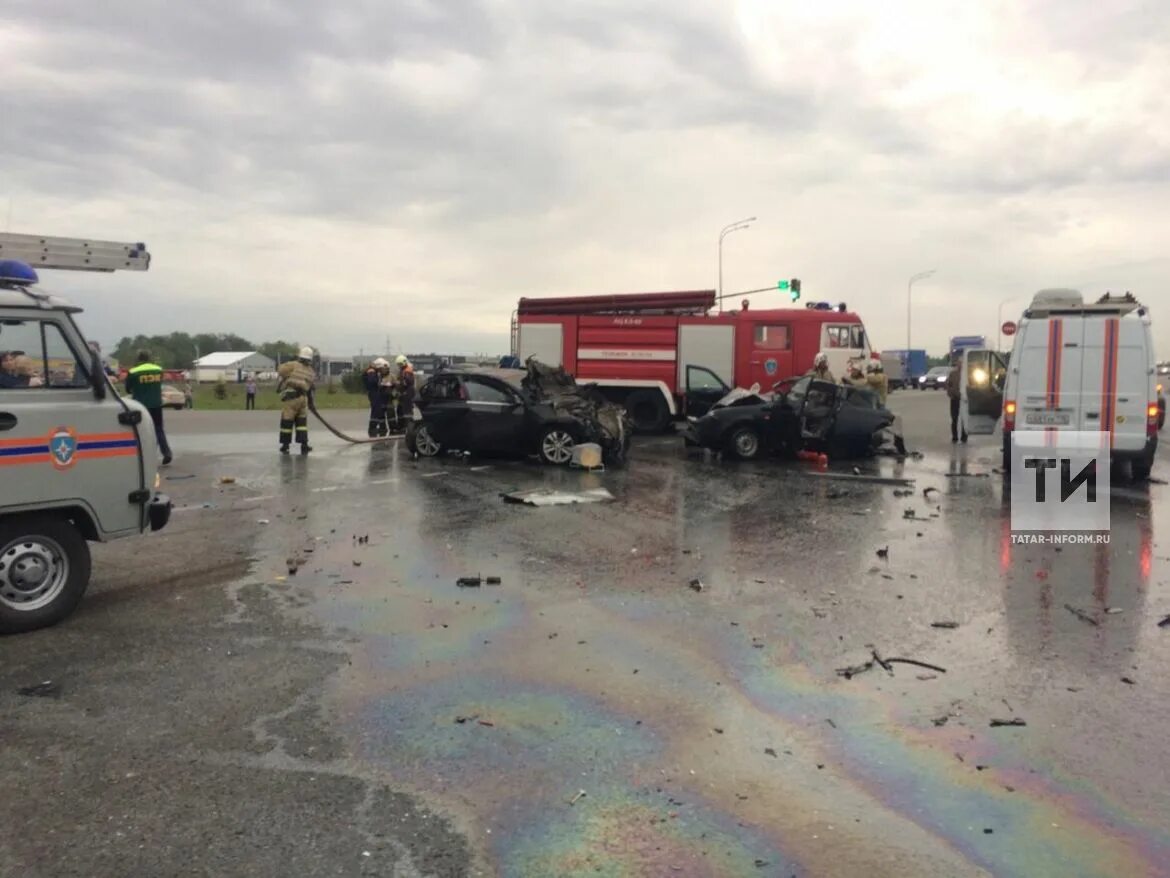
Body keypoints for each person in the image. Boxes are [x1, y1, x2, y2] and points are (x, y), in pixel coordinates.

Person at [125, 350, 173, 465]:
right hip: (156, 404)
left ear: (139, 359)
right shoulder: (158, 369)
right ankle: (166, 452)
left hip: (141, 406)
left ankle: (147, 456)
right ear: (149, 358)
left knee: (142, 431)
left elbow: (128, 388)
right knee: (158, 429)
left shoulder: (133, 372)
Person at [277, 346, 316, 454]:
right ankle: (304, 445)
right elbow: (311, 387)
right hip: (303, 399)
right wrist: (312, 403)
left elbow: (280, 370)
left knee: (287, 421)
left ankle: (285, 446)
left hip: (291, 398)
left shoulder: (293, 365)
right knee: (302, 423)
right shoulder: (311, 371)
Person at [363, 357, 392, 437]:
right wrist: (380, 382)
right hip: (373, 393)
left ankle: (382, 428)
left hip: (375, 392)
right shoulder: (372, 371)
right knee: (376, 410)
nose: (382, 370)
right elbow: (372, 381)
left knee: (379, 410)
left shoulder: (373, 371)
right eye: (381, 368)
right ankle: (372, 428)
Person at [946, 356, 967, 443]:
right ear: (957, 364)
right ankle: (954, 437)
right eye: (959, 363)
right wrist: (951, 394)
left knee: (964, 419)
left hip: (964, 400)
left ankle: (964, 437)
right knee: (954, 419)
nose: (960, 364)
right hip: (955, 399)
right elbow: (948, 385)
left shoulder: (967, 374)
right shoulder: (953, 374)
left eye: (962, 363)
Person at [394, 355, 416, 427]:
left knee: (407, 411)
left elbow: (408, 382)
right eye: (398, 364)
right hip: (403, 393)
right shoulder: (403, 371)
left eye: (400, 364)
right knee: (400, 410)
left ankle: (409, 427)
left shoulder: (407, 371)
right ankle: (402, 426)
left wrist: (398, 383)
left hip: (407, 393)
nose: (399, 366)